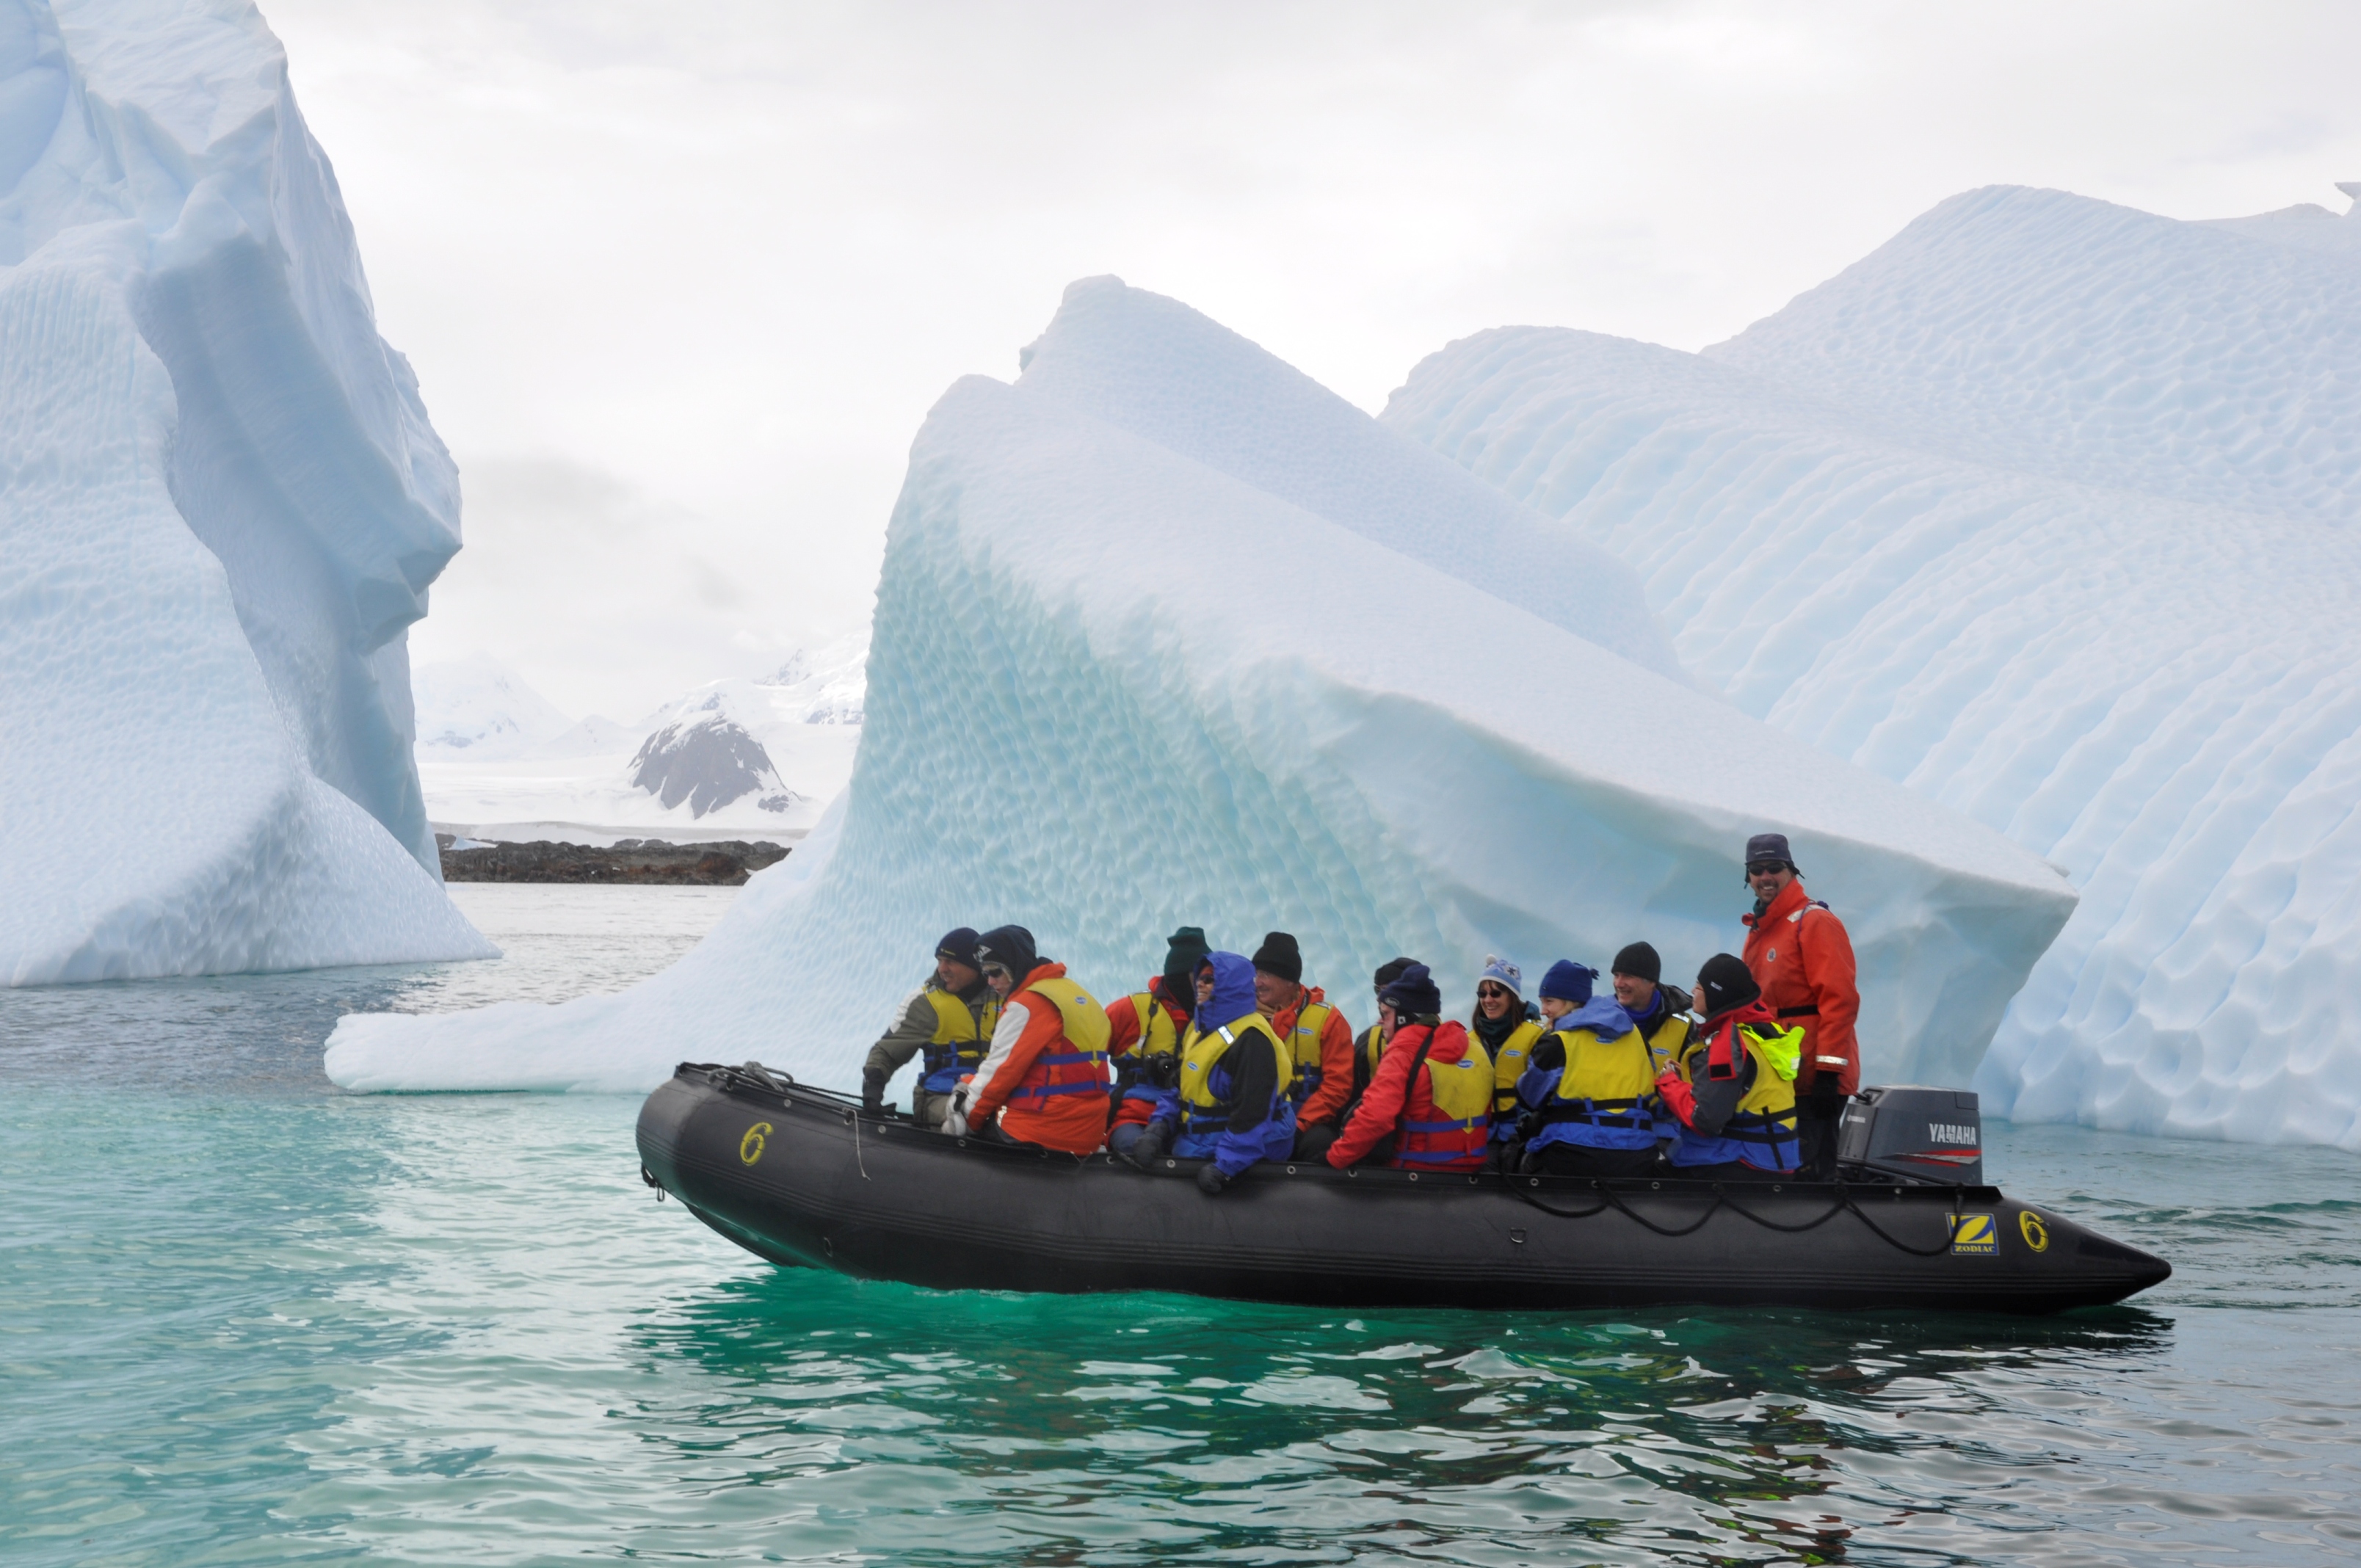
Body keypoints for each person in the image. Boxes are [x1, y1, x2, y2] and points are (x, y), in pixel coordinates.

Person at [1738, 832, 1860, 1178]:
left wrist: (1827, 1073)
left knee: (1811, 1175)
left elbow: (1840, 1000)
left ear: (1791, 871)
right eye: (1756, 869)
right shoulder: (1760, 931)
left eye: (1774, 867)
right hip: (1781, 1077)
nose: (1765, 877)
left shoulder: (1814, 922)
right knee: (1786, 1172)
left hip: (1814, 1079)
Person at [1128, 951, 1296, 1194]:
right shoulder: (1200, 1030)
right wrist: (1158, 1128)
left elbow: (1252, 1116)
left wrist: (1225, 1167)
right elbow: (1181, 1088)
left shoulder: (1252, 1042)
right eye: (1200, 978)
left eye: (1210, 979)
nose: (1200, 984)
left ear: (1230, 986)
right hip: (1203, 1139)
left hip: (1247, 1147)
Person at [954, 925, 1112, 1155]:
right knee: (972, 1084)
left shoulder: (1028, 1005)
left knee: (958, 1108)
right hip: (1087, 1134)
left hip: (1039, 1132)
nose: (990, 981)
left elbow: (998, 1075)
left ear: (1014, 966)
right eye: (985, 974)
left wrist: (965, 1121)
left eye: (995, 972)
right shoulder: (1076, 994)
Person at [1325, 963, 1494, 1172]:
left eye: (1386, 1013)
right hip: (1472, 1170)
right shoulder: (1475, 1050)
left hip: (1415, 1173)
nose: (1380, 1020)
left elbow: (1375, 1118)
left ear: (1405, 1017)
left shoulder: (1402, 1055)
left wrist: (1334, 1159)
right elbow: (1487, 1114)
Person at [1655, 954, 1803, 1179]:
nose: (1693, 990)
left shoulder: (1727, 1046)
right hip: (1774, 1158)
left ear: (1716, 994)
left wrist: (1669, 1083)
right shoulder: (1759, 1033)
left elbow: (1705, 1120)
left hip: (1741, 1161)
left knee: (1646, 1175)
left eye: (1699, 985)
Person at [1512, 961, 1658, 1177]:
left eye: (1549, 1002)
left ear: (1572, 1001)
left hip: (1572, 1154)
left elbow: (1528, 1097)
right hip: (1637, 1154)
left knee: (1514, 1160)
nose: (1543, 1011)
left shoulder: (1558, 1043)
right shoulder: (1636, 1036)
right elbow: (1652, 1092)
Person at [862, 927, 1000, 1126]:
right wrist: (873, 1089)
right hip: (939, 1097)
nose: (942, 969)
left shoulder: (1003, 997)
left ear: (975, 966)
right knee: (964, 1123)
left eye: (950, 962)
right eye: (939, 961)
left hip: (993, 1098)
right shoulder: (925, 1003)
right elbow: (887, 1052)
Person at [1249, 931, 1356, 1160]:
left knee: (1319, 1144)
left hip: (1306, 1121)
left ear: (1289, 981)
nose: (1257, 983)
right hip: (1256, 1119)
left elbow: (1338, 1085)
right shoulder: (1243, 1015)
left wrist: (1300, 1125)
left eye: (1265, 975)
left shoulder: (1329, 1020)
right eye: (1256, 974)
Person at [1104, 926, 1208, 1155]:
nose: (1206, 983)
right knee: (1135, 1149)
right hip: (1135, 1117)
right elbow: (1088, 1054)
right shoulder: (1132, 1010)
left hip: (1190, 1123)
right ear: (1182, 975)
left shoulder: (1213, 1018)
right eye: (1200, 976)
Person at [1610, 940, 1694, 1150]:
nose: (1619, 983)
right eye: (1616, 975)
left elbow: (1697, 1090)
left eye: (1628, 976)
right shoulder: (1602, 1020)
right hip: (1610, 1126)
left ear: (1651, 982)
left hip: (1663, 1131)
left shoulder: (1684, 1027)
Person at [1332, 957, 1417, 1133]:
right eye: (1378, 991)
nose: (1380, 998)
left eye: (1387, 991)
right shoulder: (1369, 1041)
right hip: (1380, 1134)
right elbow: (1351, 1097)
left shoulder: (1439, 1038)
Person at [1468, 957, 1544, 1146]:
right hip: (1478, 1136)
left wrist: (1525, 1131)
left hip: (1519, 1137)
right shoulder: (1469, 1040)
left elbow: (1541, 1091)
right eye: (1482, 994)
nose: (1488, 1000)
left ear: (1512, 996)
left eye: (1496, 993)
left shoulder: (1535, 1037)